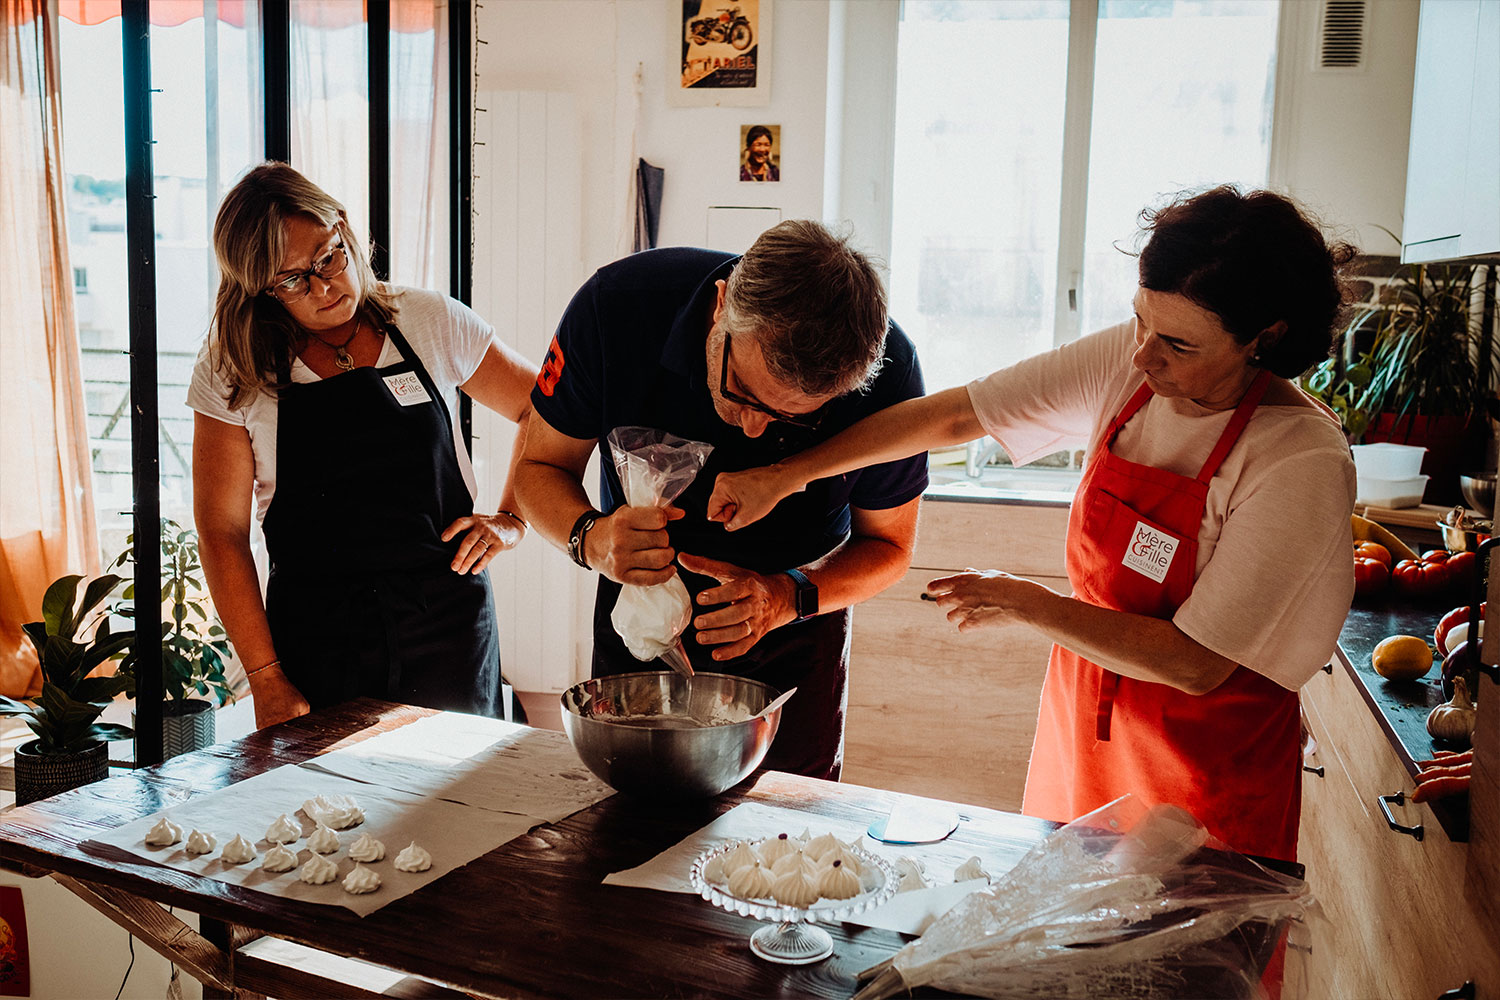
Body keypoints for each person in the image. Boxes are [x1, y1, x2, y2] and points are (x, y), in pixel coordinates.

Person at [707, 187, 1357, 861]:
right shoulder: (1130, 370)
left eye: (1177, 344)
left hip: (1204, 770)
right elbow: (958, 416)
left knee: (1175, 960)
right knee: (1053, 950)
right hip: (1086, 732)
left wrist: (1026, 602)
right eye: (1139, 322)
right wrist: (789, 473)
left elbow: (1195, 663)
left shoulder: (1297, 458)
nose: (1143, 357)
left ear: (1267, 338)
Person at [515, 220, 928, 780]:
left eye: (791, 420)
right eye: (742, 392)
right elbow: (537, 470)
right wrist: (589, 537)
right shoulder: (616, 309)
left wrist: (787, 598)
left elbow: (890, 548)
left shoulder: (888, 372)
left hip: (796, 627)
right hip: (638, 618)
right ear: (721, 304)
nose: (754, 430)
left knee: (783, 843)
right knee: (626, 824)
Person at [189, 162, 538, 730]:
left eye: (328, 256)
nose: (324, 286)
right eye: (293, 279)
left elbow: (540, 408)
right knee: (332, 811)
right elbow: (221, 533)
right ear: (261, 288)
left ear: (345, 230)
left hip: (448, 625)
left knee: (462, 805)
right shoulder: (235, 368)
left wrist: (511, 519)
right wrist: (265, 678)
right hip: (319, 640)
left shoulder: (428, 321)